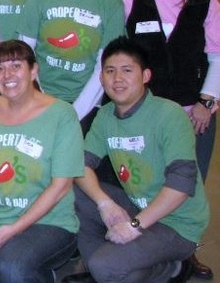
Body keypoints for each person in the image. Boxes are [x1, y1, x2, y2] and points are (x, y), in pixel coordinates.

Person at [118, 0, 219, 279]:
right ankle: (142, 248)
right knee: (143, 183)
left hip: (194, 114)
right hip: (141, 114)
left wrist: (208, 102)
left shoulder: (206, 3)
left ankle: (186, 255)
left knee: (186, 189)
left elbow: (217, 56)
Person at [0, 39, 84, 283]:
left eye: (16, 66)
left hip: (46, 222)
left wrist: (13, 229)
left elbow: (61, 186)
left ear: (34, 70)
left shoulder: (62, 115)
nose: (7, 75)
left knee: (9, 268)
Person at [71, 37, 209, 283]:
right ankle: (102, 271)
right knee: (71, 190)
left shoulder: (169, 114)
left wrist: (133, 226)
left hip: (176, 223)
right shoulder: (105, 116)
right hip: (139, 205)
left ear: (145, 76)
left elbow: (181, 186)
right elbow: (81, 164)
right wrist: (106, 205)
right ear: (101, 78)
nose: (117, 79)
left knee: (107, 266)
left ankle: (173, 269)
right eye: (110, 71)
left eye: (127, 70)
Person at [19, 0, 124, 129]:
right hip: (38, 99)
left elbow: (104, 65)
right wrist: (38, 98)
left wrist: (74, 114)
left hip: (86, 106)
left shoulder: (111, 4)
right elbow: (25, 51)